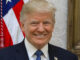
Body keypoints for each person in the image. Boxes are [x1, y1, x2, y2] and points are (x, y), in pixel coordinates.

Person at [0, 0, 78, 60]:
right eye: (34, 23)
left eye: (46, 23)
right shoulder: (3, 57)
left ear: (53, 26)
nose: (41, 29)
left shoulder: (68, 58)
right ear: (23, 26)